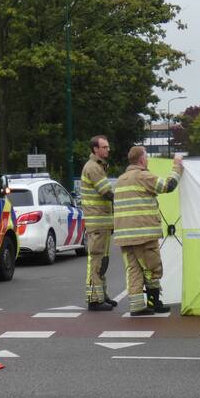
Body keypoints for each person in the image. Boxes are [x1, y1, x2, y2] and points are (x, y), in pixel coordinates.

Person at [113, 146, 183, 316]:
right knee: (152, 268)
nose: (148, 160)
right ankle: (154, 302)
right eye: (147, 157)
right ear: (142, 160)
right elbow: (168, 186)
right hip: (143, 234)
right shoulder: (143, 176)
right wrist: (177, 166)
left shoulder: (120, 180)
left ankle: (137, 306)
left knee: (134, 270)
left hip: (124, 236)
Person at [80, 135, 116, 311]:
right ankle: (94, 299)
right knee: (96, 261)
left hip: (103, 223)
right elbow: (107, 192)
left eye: (107, 147)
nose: (108, 149)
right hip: (97, 223)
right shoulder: (93, 168)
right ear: (95, 149)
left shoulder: (98, 166)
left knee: (103, 261)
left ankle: (102, 294)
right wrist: (124, 198)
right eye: (104, 147)